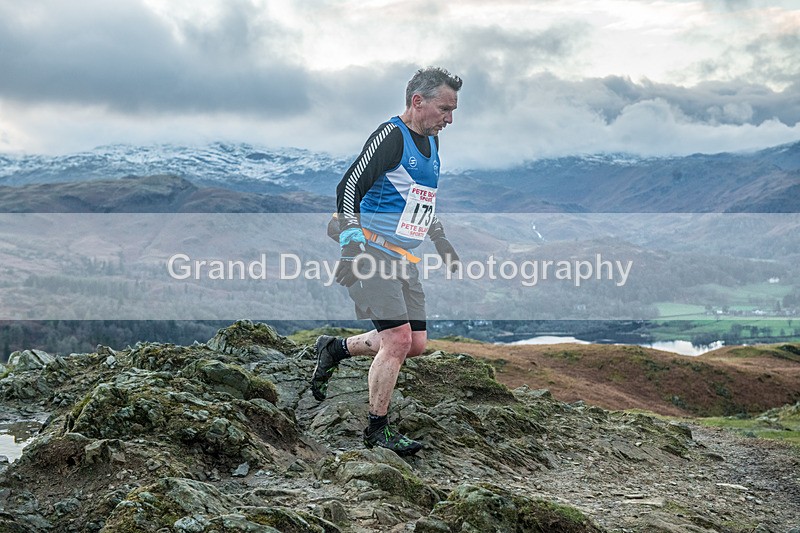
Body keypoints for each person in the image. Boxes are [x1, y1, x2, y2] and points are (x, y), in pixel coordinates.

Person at [311, 67, 463, 456]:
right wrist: (351, 246)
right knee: (397, 340)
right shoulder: (391, 136)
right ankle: (377, 430)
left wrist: (440, 240)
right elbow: (349, 186)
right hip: (372, 252)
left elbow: (420, 200)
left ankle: (335, 349)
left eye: (453, 111)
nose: (449, 119)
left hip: (403, 257)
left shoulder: (431, 143)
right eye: (445, 109)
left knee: (415, 343)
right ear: (418, 101)